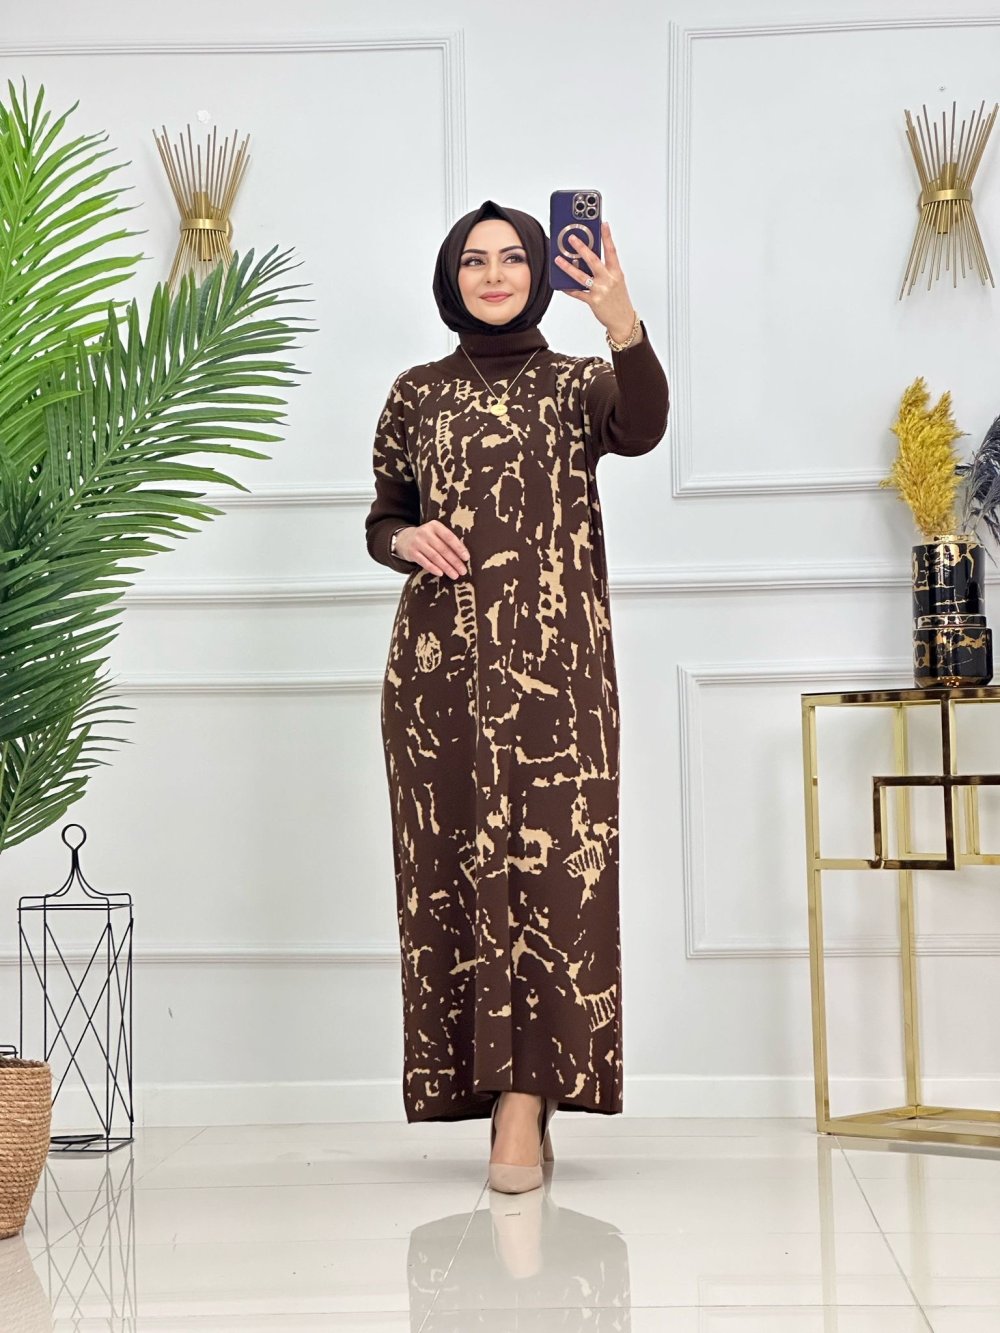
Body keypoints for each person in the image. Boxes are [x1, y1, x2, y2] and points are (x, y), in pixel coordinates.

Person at [365, 199, 669, 1193]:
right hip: (439, 676)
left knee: (557, 880)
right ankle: (491, 1090)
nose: (492, 274)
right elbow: (384, 516)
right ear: (450, 278)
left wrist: (620, 319)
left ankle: (529, 1098)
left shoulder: (577, 383)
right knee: (453, 873)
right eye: (473, 260)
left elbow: (643, 425)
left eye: (510, 258)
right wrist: (406, 540)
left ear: (539, 273)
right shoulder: (416, 393)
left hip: (559, 679)